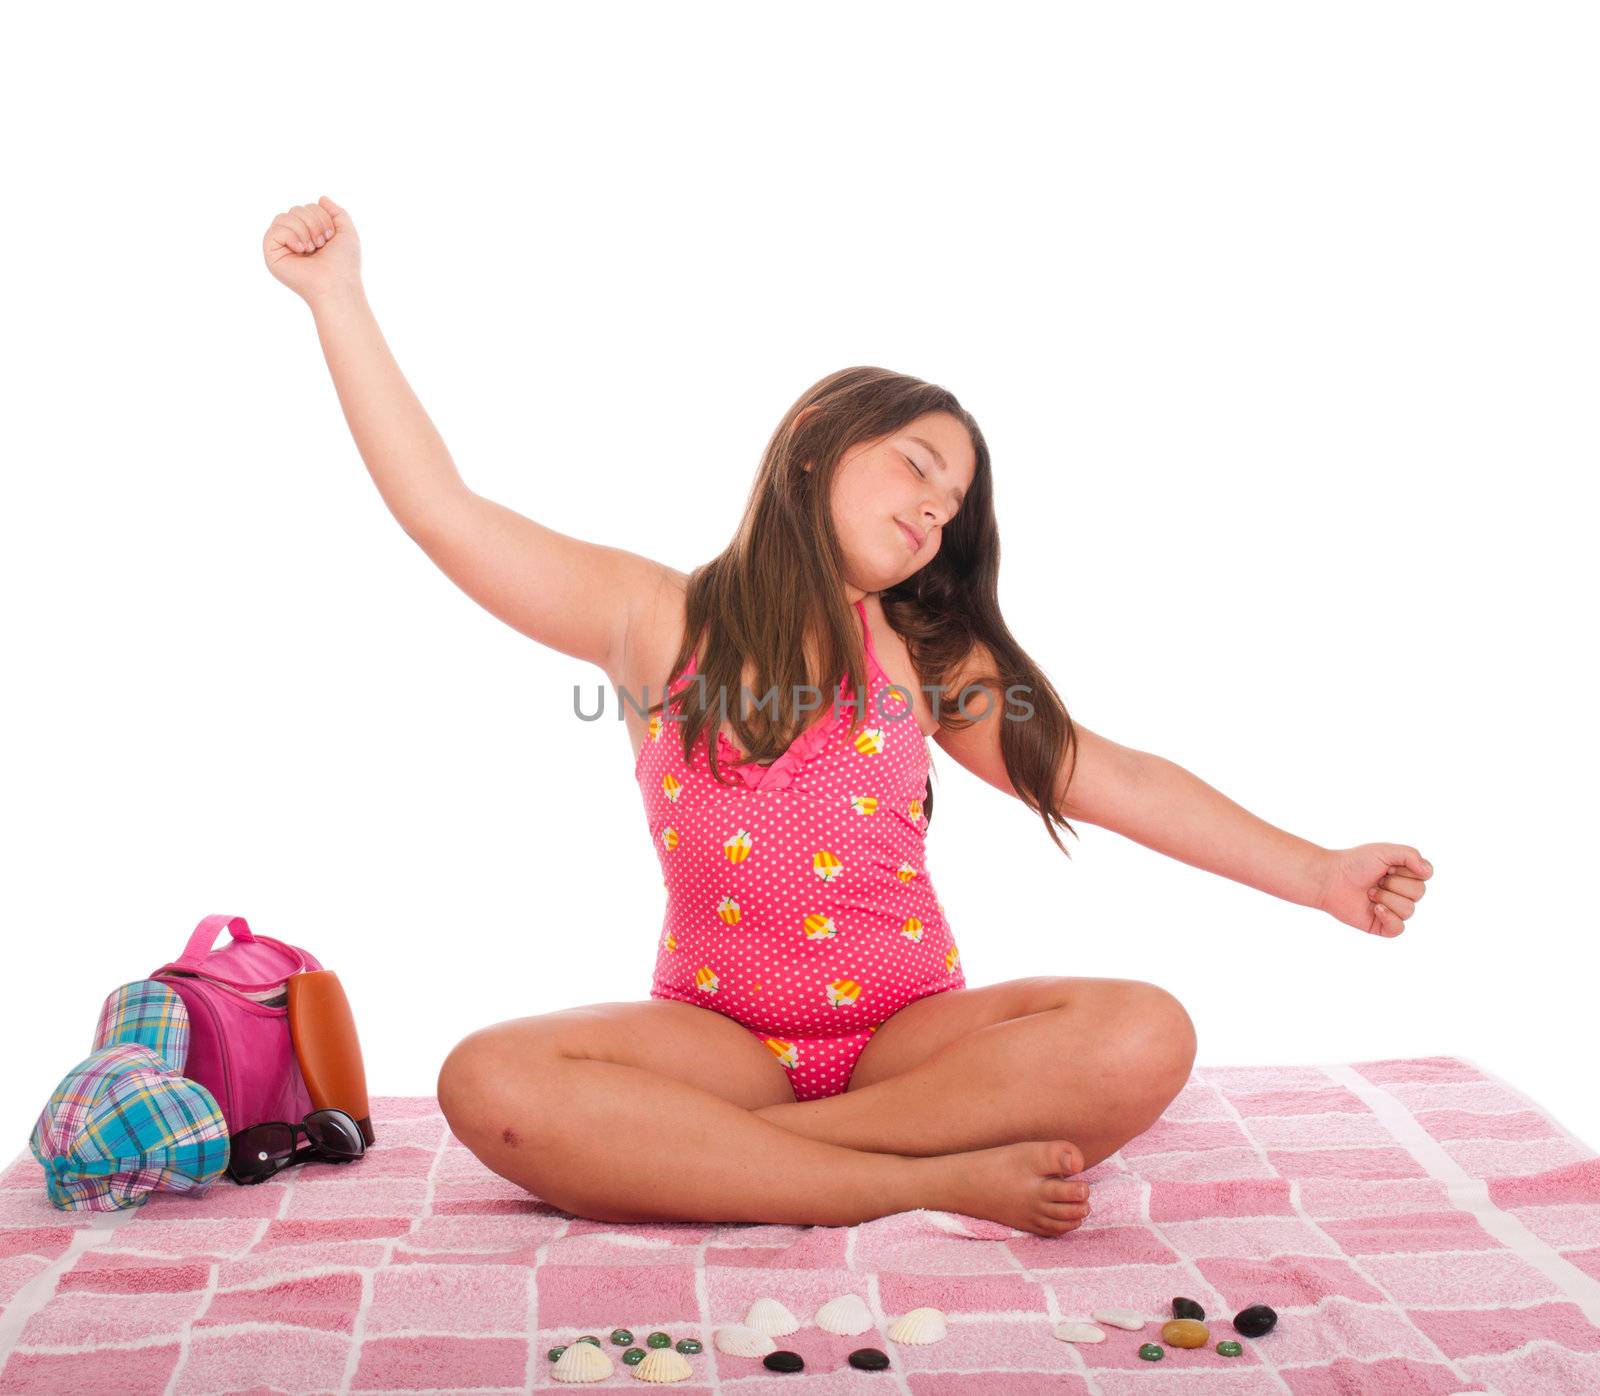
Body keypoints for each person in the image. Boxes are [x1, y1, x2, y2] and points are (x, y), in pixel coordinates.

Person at [263, 196, 1435, 1237]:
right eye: (917, 467)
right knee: (489, 1079)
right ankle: (902, 1178)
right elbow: (441, 511)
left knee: (1144, 1031)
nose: (935, 510)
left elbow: (1107, 775)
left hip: (908, 1044)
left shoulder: (927, 653)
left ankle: (771, 1170)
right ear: (818, 445)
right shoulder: (650, 618)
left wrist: (1318, 871)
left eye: (953, 502)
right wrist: (337, 295)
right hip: (719, 1050)